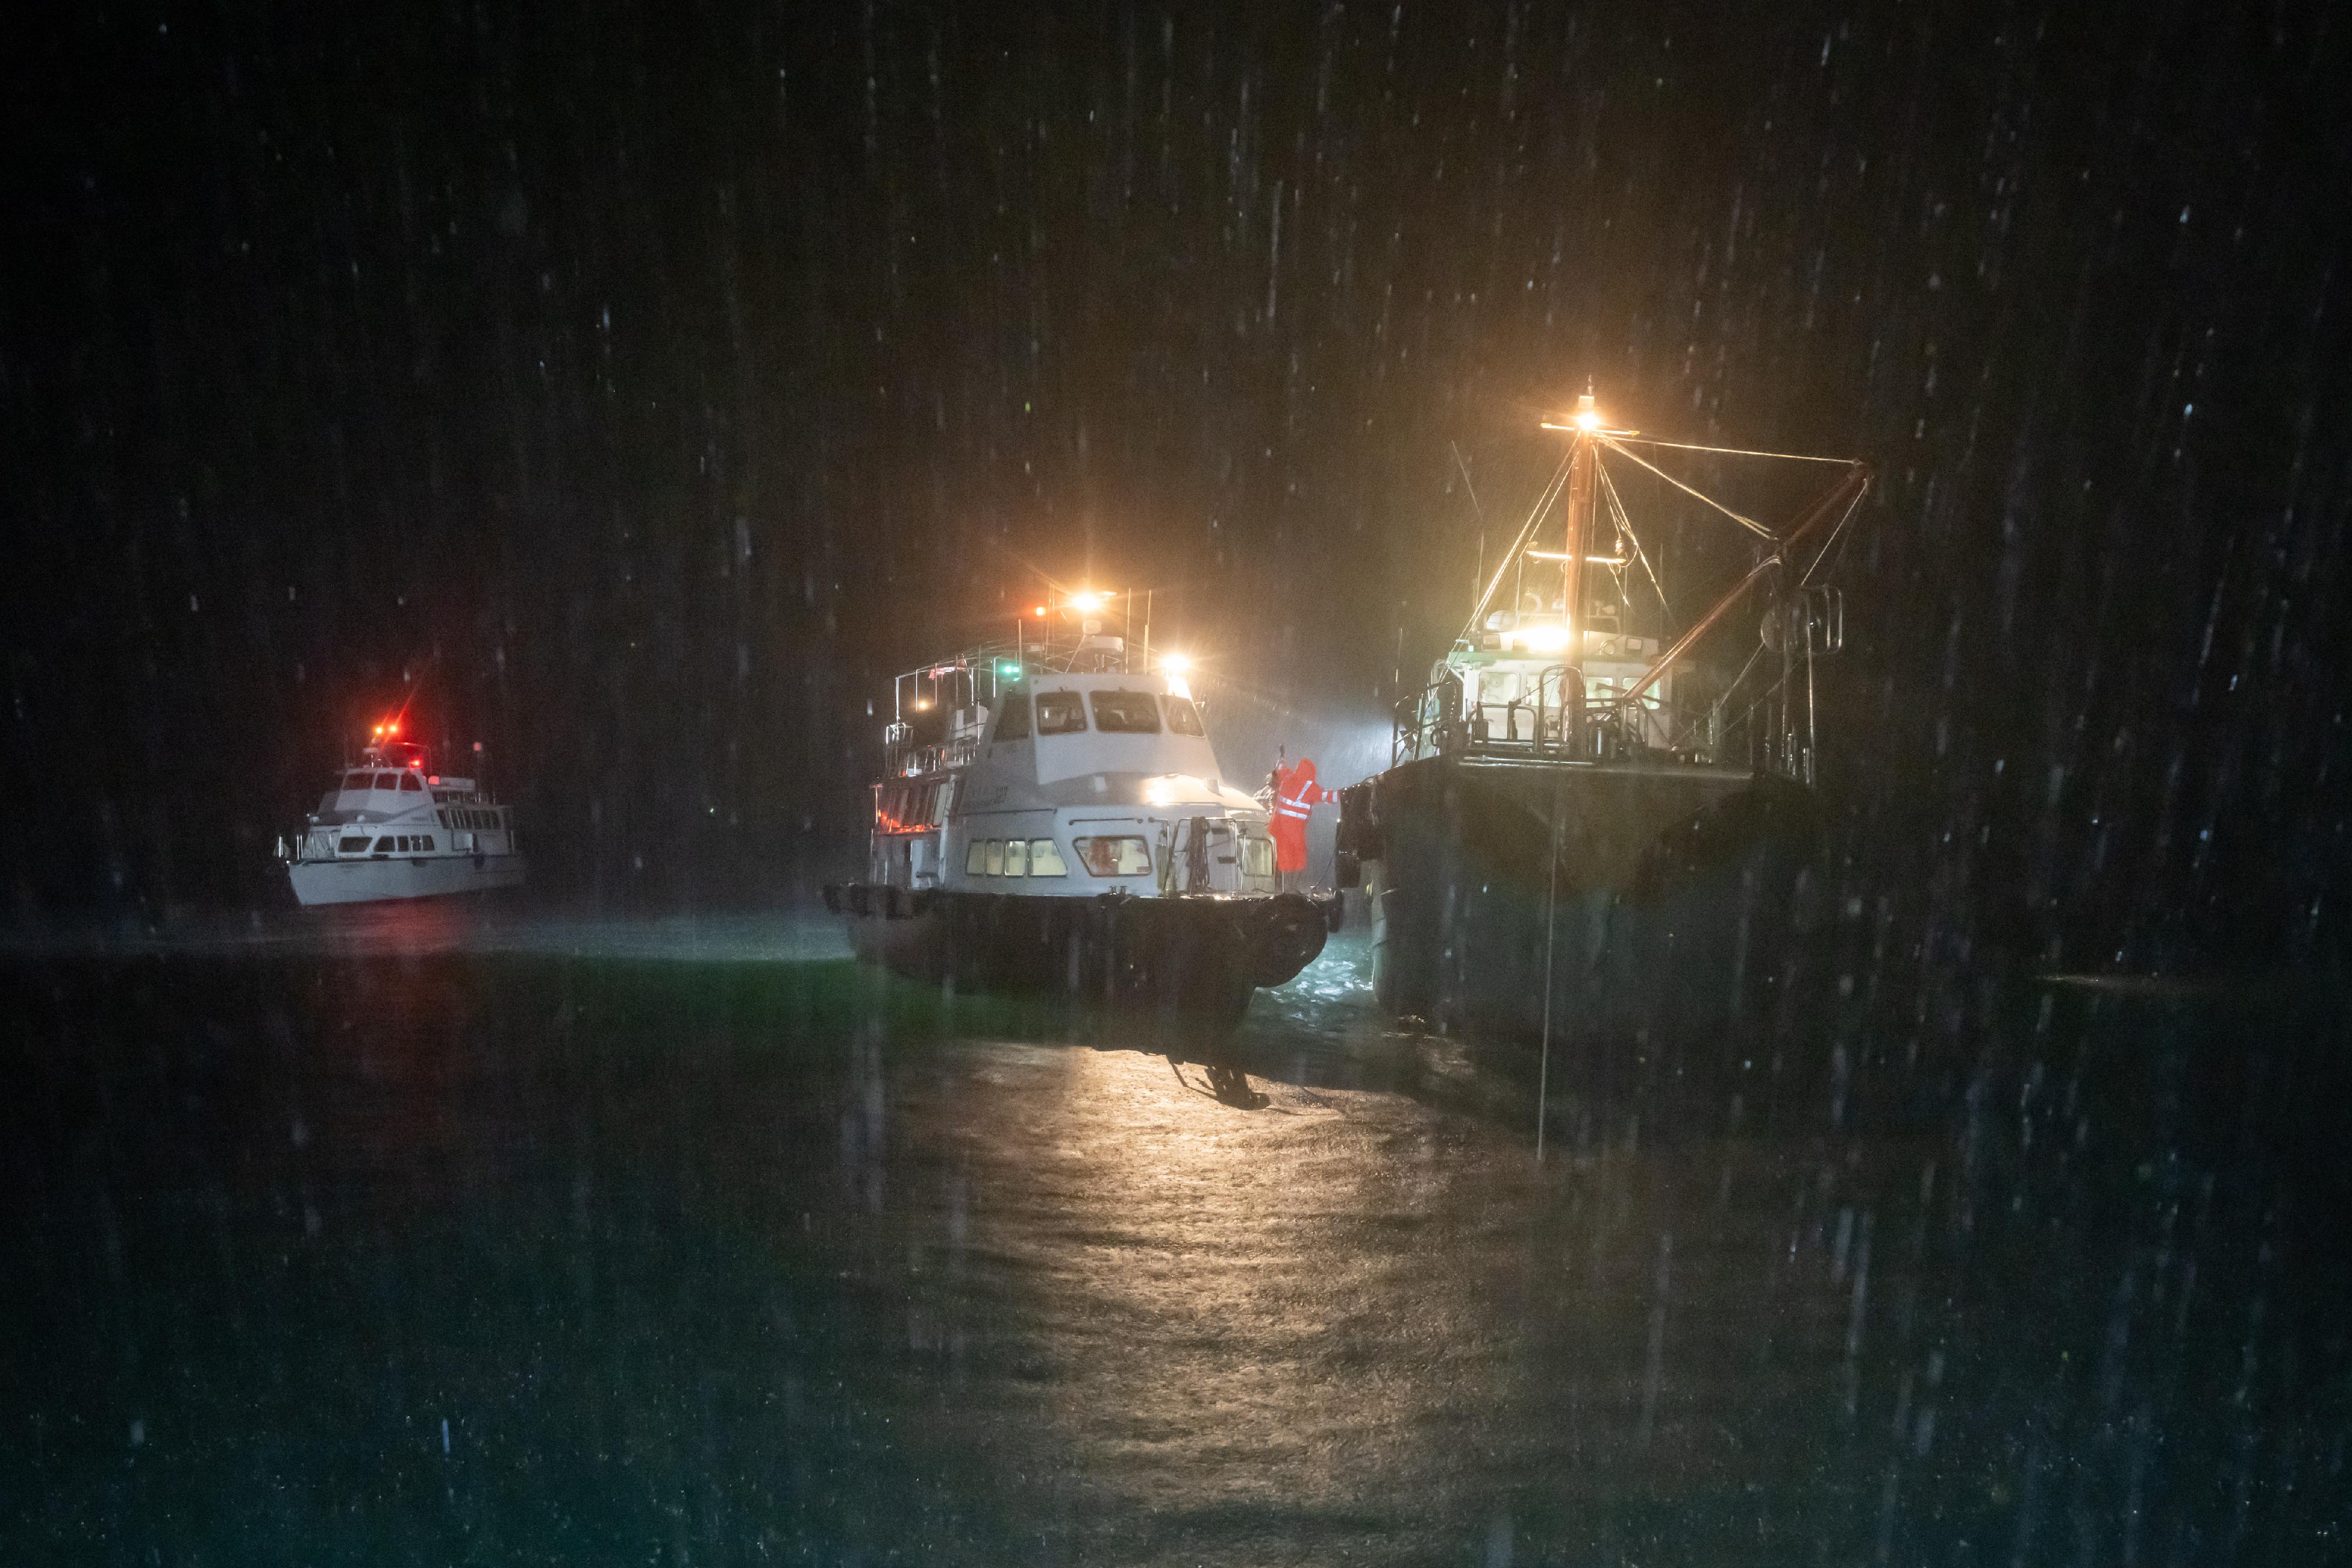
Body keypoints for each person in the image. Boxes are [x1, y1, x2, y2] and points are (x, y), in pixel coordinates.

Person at [1268, 755, 1335, 891]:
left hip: (1278, 828)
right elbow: (1329, 796)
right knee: (1299, 858)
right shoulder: (1310, 787)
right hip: (1294, 830)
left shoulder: (1288, 777)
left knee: (1284, 858)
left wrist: (1281, 758)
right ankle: (1291, 888)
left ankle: (1284, 887)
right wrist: (1349, 793)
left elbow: (1281, 768)